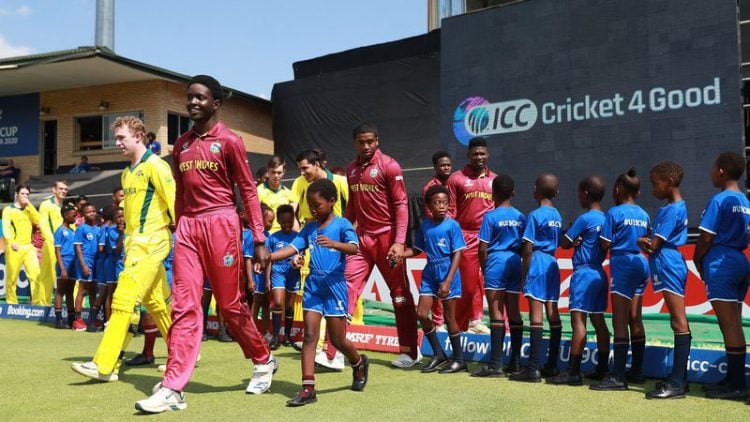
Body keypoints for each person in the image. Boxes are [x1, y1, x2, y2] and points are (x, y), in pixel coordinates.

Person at [136, 75, 275, 414]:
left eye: (200, 97)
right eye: (189, 97)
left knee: (229, 306)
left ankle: (263, 359)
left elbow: (247, 191)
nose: (193, 102)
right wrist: (179, 226)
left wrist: (258, 238)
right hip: (188, 228)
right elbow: (181, 192)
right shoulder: (180, 145)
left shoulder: (230, 141)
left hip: (222, 223)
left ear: (216, 103)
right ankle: (173, 386)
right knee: (184, 305)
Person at [70, 116, 174, 388]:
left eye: (121, 138)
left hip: (153, 242)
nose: (117, 143)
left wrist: (184, 242)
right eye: (116, 138)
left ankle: (104, 365)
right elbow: (129, 218)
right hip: (136, 244)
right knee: (156, 303)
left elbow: (176, 205)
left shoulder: (157, 166)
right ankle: (183, 354)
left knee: (123, 300)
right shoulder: (127, 173)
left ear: (139, 136)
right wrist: (128, 246)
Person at [269, 178, 369, 406]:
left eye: (317, 205)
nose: (313, 209)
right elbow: (292, 248)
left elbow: (355, 248)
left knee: (338, 339)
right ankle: (307, 389)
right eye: (310, 206)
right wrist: (268, 257)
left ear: (332, 201)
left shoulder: (342, 224)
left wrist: (334, 244)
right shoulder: (310, 227)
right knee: (310, 336)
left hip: (335, 288)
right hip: (313, 287)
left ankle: (358, 363)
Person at [344, 122, 420, 368]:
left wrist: (399, 242)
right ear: (355, 143)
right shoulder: (351, 170)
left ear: (377, 141)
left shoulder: (389, 165)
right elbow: (352, 208)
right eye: (361, 142)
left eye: (370, 142)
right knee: (345, 290)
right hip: (362, 239)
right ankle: (332, 351)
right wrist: (344, 234)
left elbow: (400, 205)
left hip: (388, 239)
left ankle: (409, 352)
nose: (366, 146)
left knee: (399, 296)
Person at [694, 152, 750, 400]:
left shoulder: (720, 200)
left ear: (721, 171)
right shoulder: (746, 201)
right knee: (733, 324)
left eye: (713, 167)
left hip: (721, 263)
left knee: (729, 325)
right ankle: (733, 379)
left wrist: (697, 260)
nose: (710, 171)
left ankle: (737, 384)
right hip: (740, 260)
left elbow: (706, 236)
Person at [590, 169, 650, 391]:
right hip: (642, 263)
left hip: (623, 264)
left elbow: (605, 243)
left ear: (618, 189)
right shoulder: (644, 213)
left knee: (620, 320)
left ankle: (617, 376)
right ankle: (637, 371)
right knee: (636, 318)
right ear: (638, 191)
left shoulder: (614, 213)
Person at [548, 176, 610, 386]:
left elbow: (564, 243)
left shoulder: (585, 219)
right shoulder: (607, 218)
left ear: (585, 193)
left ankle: (573, 372)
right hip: (600, 273)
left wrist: (573, 240)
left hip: (583, 273)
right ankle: (603, 369)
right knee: (598, 320)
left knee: (578, 322)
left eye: (578, 193)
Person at [636, 162, 691, 399]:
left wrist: (641, 241)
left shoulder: (672, 210)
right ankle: (679, 379)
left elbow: (653, 245)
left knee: (678, 322)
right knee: (677, 321)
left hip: (668, 263)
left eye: (655, 183)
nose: (652, 188)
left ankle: (678, 382)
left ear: (669, 183)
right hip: (667, 261)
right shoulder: (673, 206)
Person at [404, 185, 466, 373]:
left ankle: (460, 360)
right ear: (429, 205)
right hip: (430, 271)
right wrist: (401, 254)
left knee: (449, 317)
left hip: (448, 271)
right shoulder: (425, 225)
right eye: (437, 203)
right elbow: (418, 249)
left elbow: (458, 253)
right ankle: (439, 354)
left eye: (445, 203)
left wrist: (447, 281)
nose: (441, 206)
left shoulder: (453, 225)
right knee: (422, 314)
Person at [508, 174, 563, 382]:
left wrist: (524, 275)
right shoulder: (557, 215)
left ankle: (532, 368)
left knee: (536, 314)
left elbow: (528, 248)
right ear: (557, 192)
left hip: (538, 262)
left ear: (535, 191)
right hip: (552, 263)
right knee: (552, 311)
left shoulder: (534, 215)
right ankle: (551, 366)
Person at [472, 174, 526, 377]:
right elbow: (524, 245)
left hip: (496, 261)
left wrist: (485, 269)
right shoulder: (521, 216)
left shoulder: (490, 216)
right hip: (515, 261)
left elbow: (482, 248)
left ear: (492, 194)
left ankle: (495, 364)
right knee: (514, 311)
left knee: (496, 313)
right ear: (513, 192)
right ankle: (516, 362)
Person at [447, 137, 496, 334]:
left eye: (482, 153)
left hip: (490, 240)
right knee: (467, 288)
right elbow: (450, 211)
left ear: (487, 155)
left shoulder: (495, 179)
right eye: (475, 154)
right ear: (468, 155)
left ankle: (505, 330)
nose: (479, 157)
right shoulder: (456, 179)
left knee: (495, 287)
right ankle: (458, 331)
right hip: (465, 237)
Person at [420, 150, 453, 331]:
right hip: (438, 238)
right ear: (435, 167)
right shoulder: (429, 188)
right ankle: (438, 322)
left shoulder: (455, 181)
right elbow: (432, 218)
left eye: (448, 165)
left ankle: (470, 322)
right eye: (442, 165)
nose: (446, 168)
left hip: (456, 237)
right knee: (437, 284)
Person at [266, 204, 301, 349]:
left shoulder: (298, 237)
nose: (287, 225)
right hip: (278, 271)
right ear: (278, 222)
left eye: (289, 222)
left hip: (293, 272)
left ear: (293, 220)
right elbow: (268, 259)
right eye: (283, 222)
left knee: (289, 306)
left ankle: (286, 336)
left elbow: (302, 257)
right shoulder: (273, 238)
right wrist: (267, 278)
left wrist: (299, 261)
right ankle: (275, 337)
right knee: (278, 303)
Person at [2, 184, 40, 304]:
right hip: (15, 247)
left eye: (27, 194)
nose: (25, 196)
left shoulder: (29, 209)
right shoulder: (8, 210)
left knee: (35, 275)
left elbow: (38, 221)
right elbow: (6, 227)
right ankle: (11, 303)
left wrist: (30, 205)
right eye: (22, 194)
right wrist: (11, 242)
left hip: (29, 247)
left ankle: (37, 303)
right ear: (16, 194)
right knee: (12, 278)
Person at [37, 180, 69, 306]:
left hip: (66, 245)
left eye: (65, 189)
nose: (63, 191)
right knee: (48, 274)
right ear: (54, 190)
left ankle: (70, 303)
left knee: (68, 274)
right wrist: (53, 242)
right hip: (51, 244)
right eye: (60, 188)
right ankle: (43, 304)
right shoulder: (46, 204)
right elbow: (44, 225)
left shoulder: (67, 206)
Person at [73, 203, 101, 331]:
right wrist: (83, 264)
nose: (92, 213)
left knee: (93, 291)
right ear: (83, 214)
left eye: (93, 211)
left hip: (95, 262)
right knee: (82, 290)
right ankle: (77, 319)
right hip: (85, 261)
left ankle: (93, 318)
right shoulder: (81, 228)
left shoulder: (97, 229)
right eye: (89, 212)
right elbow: (77, 247)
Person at [54, 202, 78, 329]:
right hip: (64, 263)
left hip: (73, 264)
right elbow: (57, 251)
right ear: (65, 215)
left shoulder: (72, 231)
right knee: (60, 292)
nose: (75, 217)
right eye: (73, 215)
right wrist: (62, 268)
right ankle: (58, 320)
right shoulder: (59, 231)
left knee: (70, 292)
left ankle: (71, 319)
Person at [257, 156, 298, 232]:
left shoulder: (289, 194)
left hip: (284, 236)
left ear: (284, 172)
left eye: (279, 173)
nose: (276, 176)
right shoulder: (258, 191)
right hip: (266, 236)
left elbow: (294, 220)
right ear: (268, 171)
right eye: (273, 172)